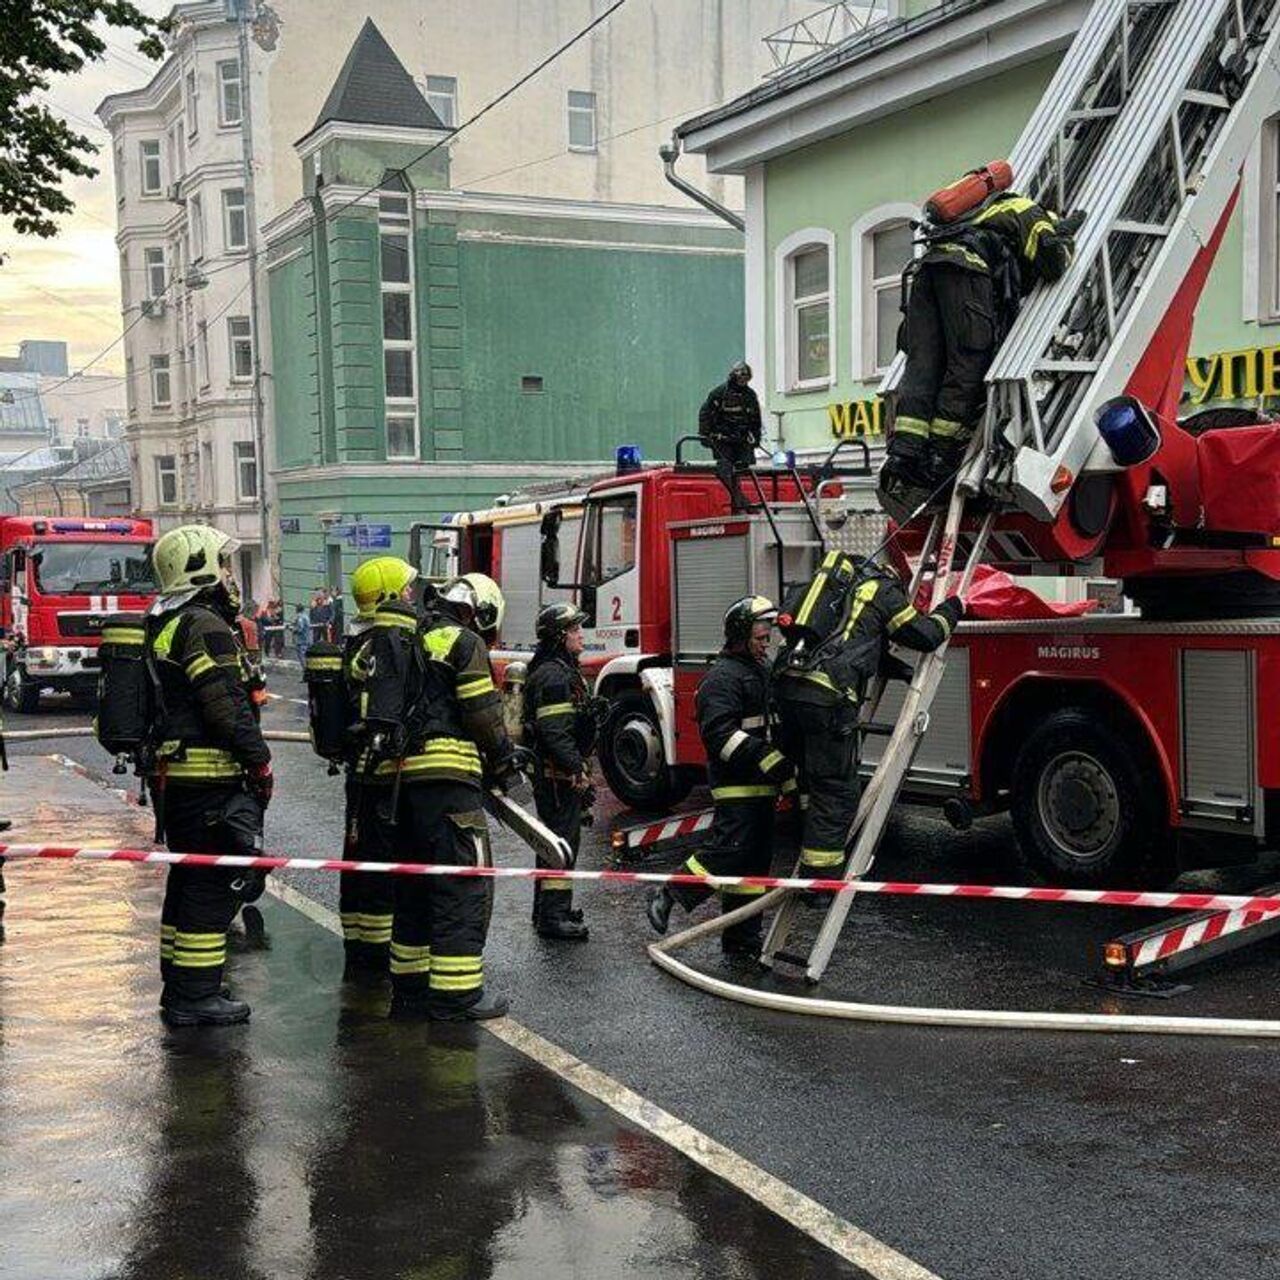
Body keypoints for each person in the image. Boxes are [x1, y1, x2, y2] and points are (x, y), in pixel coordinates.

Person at [146, 524, 273, 1026]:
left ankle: (181, 986)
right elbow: (224, 704)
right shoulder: (205, 625)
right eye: (221, 565)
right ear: (199, 569)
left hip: (177, 779)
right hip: (210, 778)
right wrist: (258, 759)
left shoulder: (166, 621)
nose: (228, 575)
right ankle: (195, 998)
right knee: (210, 885)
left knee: (186, 880)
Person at [773, 554, 963, 885]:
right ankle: (819, 883)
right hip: (826, 700)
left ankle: (804, 853)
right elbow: (924, 635)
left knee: (809, 781)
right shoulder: (883, 590)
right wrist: (953, 608)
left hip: (787, 691)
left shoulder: (835, 590)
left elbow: (853, 643)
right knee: (836, 792)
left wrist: (899, 670)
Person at [881, 193, 1084, 497]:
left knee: (924, 364)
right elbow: (1052, 261)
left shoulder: (977, 213)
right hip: (966, 272)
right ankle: (939, 456)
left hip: (927, 271)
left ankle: (905, 452)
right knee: (968, 363)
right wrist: (1065, 237)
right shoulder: (1028, 211)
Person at [388, 572, 522, 1020]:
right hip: (451, 781)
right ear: (478, 611)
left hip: (403, 783)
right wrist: (504, 759)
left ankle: (409, 989)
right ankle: (456, 995)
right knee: (464, 883)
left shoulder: (409, 638)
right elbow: (482, 714)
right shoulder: (463, 642)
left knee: (414, 884)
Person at [647, 596, 794, 958]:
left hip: (762, 783)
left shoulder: (761, 668)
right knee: (731, 850)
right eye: (761, 637)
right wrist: (766, 758)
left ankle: (741, 936)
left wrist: (785, 777)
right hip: (736, 782)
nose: (766, 643)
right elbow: (719, 735)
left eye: (768, 637)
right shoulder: (722, 678)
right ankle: (671, 892)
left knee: (754, 863)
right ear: (741, 635)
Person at [334, 555, 420, 982]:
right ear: (388, 596)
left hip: (358, 770)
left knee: (357, 859)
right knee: (384, 862)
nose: (410, 595)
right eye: (404, 589)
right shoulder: (389, 644)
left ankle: (359, 949)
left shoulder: (357, 642)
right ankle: (379, 958)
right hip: (383, 773)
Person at [523, 602, 595, 942]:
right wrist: (576, 766)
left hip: (556, 773)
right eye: (574, 629)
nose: (580, 633)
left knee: (555, 841)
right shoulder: (553, 675)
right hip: (556, 776)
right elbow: (553, 730)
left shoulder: (559, 669)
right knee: (561, 844)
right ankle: (553, 917)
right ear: (559, 637)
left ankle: (550, 909)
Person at [698, 360, 762, 513]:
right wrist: (705, 435)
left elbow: (755, 419)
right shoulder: (719, 393)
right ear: (734, 375)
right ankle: (742, 501)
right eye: (741, 377)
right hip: (722, 440)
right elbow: (705, 414)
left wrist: (756, 438)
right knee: (725, 469)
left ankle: (739, 503)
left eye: (746, 378)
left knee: (742, 469)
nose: (743, 381)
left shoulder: (750, 395)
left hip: (741, 440)